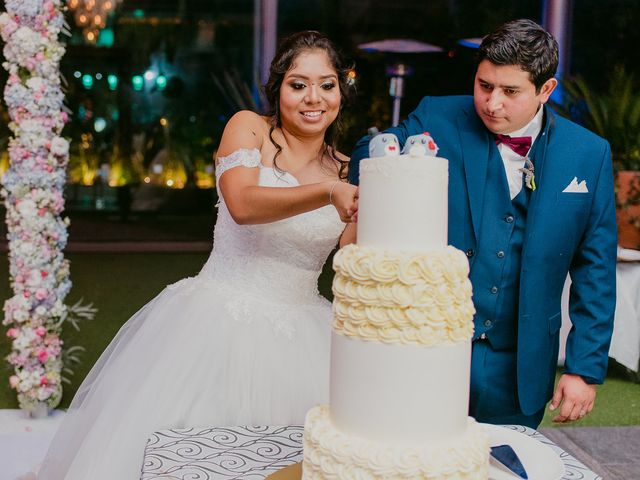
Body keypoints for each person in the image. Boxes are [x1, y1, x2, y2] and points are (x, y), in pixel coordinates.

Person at [37, 30, 358, 479]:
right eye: (298, 84)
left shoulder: (346, 168)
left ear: (342, 88)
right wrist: (328, 193)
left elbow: (351, 258)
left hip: (306, 338)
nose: (315, 98)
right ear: (277, 88)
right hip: (216, 323)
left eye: (327, 84)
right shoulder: (249, 128)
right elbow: (243, 204)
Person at [349, 18, 616, 429]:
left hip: (520, 362)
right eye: (484, 85)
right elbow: (372, 147)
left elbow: (595, 270)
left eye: (510, 92)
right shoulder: (439, 116)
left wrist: (583, 369)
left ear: (546, 89)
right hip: (429, 345)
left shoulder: (588, 154)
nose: (492, 103)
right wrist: (390, 163)